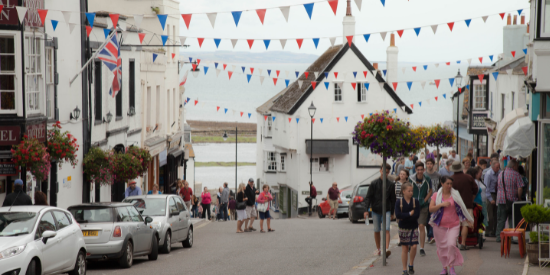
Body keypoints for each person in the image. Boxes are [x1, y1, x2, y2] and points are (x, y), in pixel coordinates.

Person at [429, 176, 474, 275]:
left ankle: (452, 266)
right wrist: (441, 205)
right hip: (439, 226)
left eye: (451, 184)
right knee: (442, 248)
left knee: (451, 245)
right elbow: (431, 209)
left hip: (453, 225)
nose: (449, 186)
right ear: (442, 183)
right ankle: (444, 268)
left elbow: (461, 209)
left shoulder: (455, 195)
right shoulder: (436, 195)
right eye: (447, 183)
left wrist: (468, 220)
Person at [363, 164, 396, 258]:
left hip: (387, 210)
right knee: (377, 230)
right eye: (383, 171)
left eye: (386, 172)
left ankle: (386, 249)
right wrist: (366, 210)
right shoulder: (374, 183)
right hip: (376, 210)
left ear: (388, 172)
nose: (384, 173)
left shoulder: (391, 184)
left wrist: (392, 212)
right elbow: (368, 197)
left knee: (387, 229)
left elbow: (393, 200)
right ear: (380, 171)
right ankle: (378, 249)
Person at [450, 160, 478, 250]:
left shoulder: (450, 179)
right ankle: (463, 243)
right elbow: (475, 189)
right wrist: (472, 198)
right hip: (467, 204)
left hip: (454, 205)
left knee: (455, 225)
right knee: (465, 224)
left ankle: (455, 243)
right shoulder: (469, 177)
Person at [495, 159, 524, 242]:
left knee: (501, 219)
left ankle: (499, 237)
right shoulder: (516, 174)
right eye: (517, 166)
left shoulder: (501, 174)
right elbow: (520, 188)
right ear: (514, 166)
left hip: (501, 200)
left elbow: (498, 186)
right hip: (512, 201)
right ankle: (511, 237)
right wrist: (519, 198)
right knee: (512, 219)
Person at [395, 182, 420, 275]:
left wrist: (404, 216)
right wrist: (409, 214)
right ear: (404, 191)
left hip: (413, 226)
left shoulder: (415, 201)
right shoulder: (399, 202)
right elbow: (398, 215)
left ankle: (411, 264)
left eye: (412, 191)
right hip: (403, 227)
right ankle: (404, 269)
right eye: (409, 191)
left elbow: (417, 215)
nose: (411, 192)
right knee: (404, 248)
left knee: (414, 246)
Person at [408, 162, 433, 256]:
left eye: (421, 170)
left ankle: (422, 248)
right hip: (412, 205)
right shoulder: (411, 178)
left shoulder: (427, 179)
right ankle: (411, 243)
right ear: (415, 170)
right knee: (412, 226)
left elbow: (430, 191)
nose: (419, 171)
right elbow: (407, 190)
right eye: (418, 170)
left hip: (423, 206)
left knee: (421, 225)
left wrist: (424, 200)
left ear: (424, 170)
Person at [424, 158, 441, 244]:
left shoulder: (438, 175)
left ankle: (431, 235)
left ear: (433, 165)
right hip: (426, 199)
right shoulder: (424, 175)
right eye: (428, 163)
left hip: (435, 199)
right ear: (426, 164)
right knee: (427, 218)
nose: (429, 165)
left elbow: (440, 187)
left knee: (433, 217)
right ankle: (429, 235)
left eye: (431, 163)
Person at [483, 161, 501, 237]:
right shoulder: (488, 174)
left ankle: (494, 231)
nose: (498, 168)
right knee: (490, 215)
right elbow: (486, 188)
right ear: (493, 167)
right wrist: (490, 199)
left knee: (496, 214)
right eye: (497, 167)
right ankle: (488, 231)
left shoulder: (499, 173)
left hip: (497, 194)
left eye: (499, 167)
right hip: (491, 194)